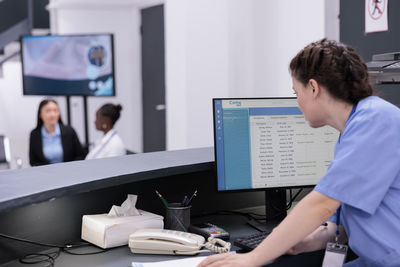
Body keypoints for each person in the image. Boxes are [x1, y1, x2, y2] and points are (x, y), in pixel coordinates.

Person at [198, 39, 400, 267]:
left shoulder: (376, 120)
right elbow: (341, 227)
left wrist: (253, 258)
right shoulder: (353, 129)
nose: (298, 103)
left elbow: (321, 204)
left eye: (297, 93)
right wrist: (304, 241)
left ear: (313, 88)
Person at [29, 99, 85, 166]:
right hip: (45, 174)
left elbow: (80, 156)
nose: (52, 114)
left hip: (69, 172)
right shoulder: (35, 134)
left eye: (55, 110)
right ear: (40, 114)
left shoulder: (69, 131)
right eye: (48, 111)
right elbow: (33, 161)